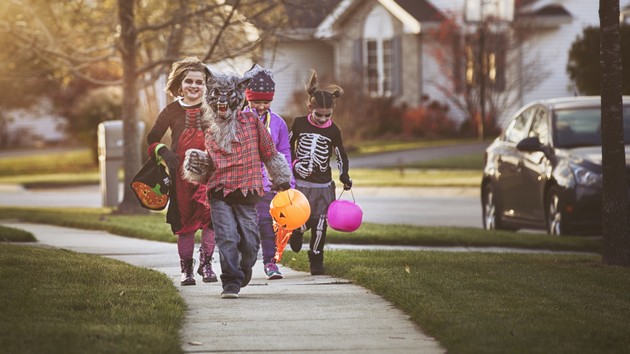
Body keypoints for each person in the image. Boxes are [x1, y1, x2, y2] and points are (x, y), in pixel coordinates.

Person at [182, 66, 292, 299]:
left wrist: (282, 179)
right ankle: (230, 282)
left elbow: (269, 152)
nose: (222, 105)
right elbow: (210, 162)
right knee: (227, 238)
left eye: (227, 99)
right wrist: (197, 164)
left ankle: (243, 269)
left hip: (248, 191)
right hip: (219, 192)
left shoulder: (252, 121)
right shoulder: (209, 126)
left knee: (250, 244)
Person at [146, 57, 217, 286]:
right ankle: (186, 269)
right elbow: (152, 139)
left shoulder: (213, 108)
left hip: (209, 173)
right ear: (180, 84)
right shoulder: (171, 110)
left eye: (199, 82)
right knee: (184, 223)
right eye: (189, 81)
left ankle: (206, 264)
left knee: (210, 220)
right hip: (180, 177)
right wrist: (163, 151)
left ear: (206, 85)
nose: (194, 86)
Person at [288, 70, 352, 275]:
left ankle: (316, 258)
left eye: (328, 115)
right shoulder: (299, 123)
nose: (323, 119)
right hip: (300, 184)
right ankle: (296, 232)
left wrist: (344, 175)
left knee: (320, 224)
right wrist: (293, 165)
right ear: (310, 108)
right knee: (301, 219)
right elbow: (287, 147)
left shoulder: (333, 131)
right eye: (319, 115)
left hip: (323, 186)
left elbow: (340, 154)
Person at [242, 64, 294, 280]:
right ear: (247, 98)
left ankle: (270, 263)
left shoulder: (279, 123)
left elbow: (284, 152)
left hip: (268, 185)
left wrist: (286, 180)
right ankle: (243, 264)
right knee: (245, 228)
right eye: (256, 101)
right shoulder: (239, 119)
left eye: (265, 102)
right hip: (244, 185)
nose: (261, 106)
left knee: (266, 224)